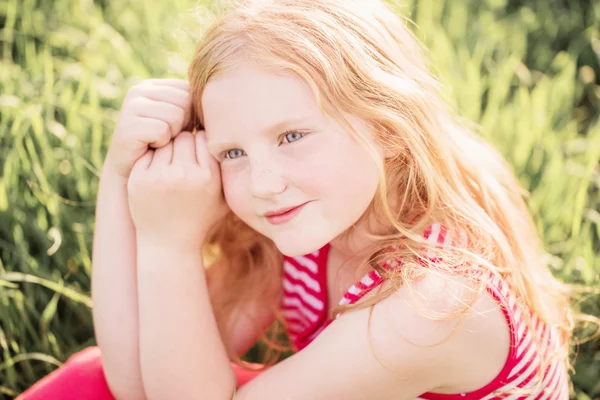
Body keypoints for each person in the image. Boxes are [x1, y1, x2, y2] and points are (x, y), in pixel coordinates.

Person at [18, 0, 574, 399]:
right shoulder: (322, 217)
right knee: (89, 379)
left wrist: (169, 243)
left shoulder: (430, 306)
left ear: (388, 127)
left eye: (291, 137)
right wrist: (121, 178)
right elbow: (136, 378)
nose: (262, 182)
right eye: (231, 151)